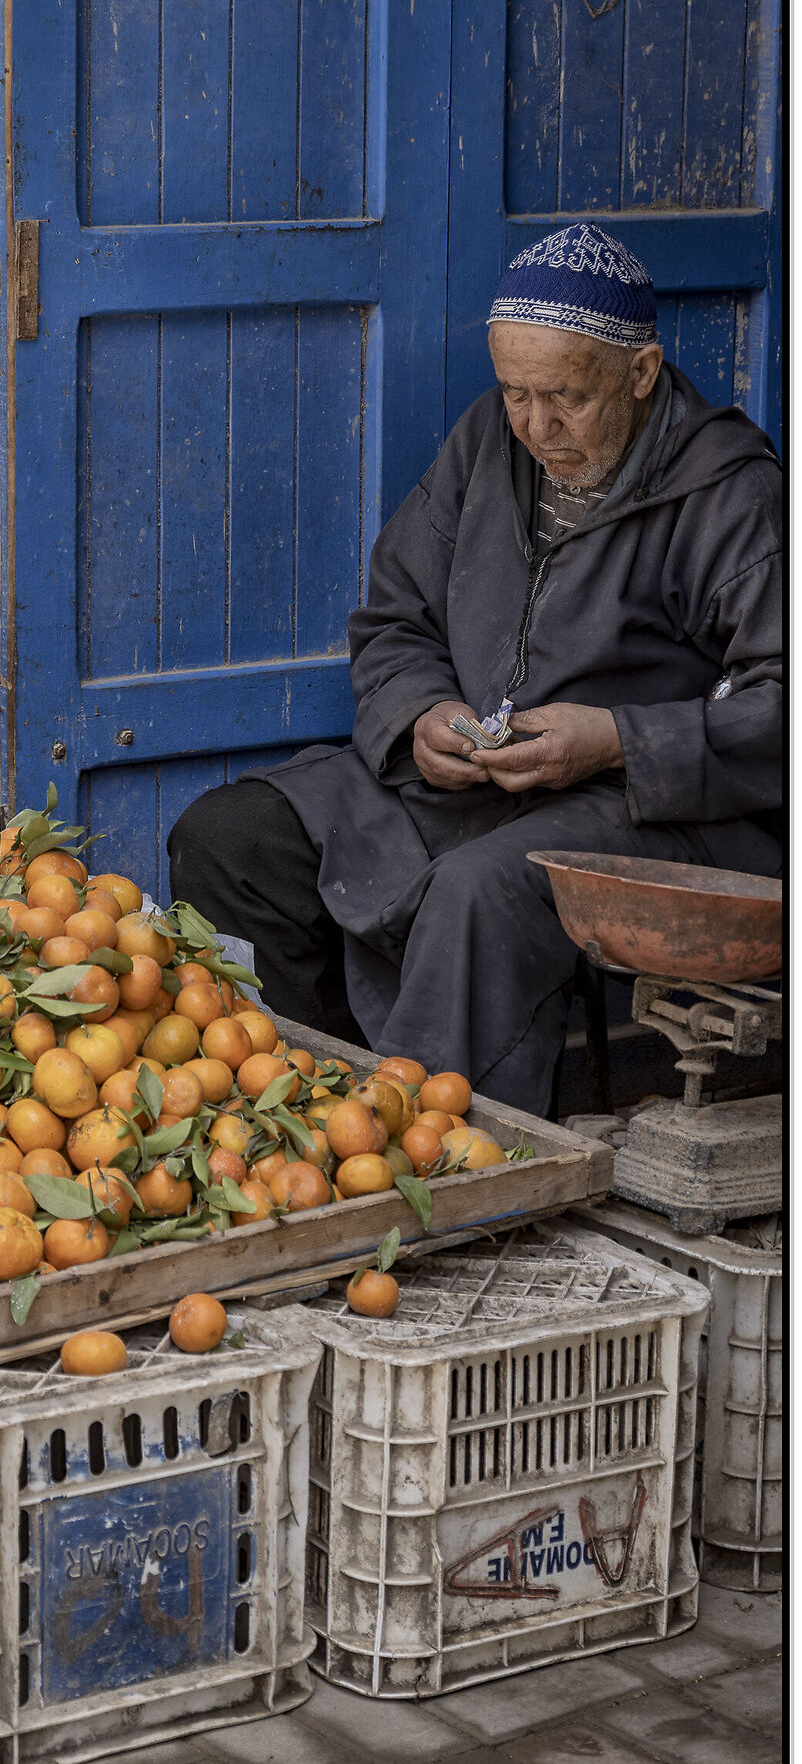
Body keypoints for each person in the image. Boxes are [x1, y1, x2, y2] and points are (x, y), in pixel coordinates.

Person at [167, 222, 783, 1114]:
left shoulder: (732, 492)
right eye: (515, 393)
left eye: (566, 397)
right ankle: (316, 1105)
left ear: (641, 374)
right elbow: (394, 615)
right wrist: (422, 713)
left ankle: (444, 1152)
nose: (537, 426)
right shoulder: (490, 444)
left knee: (478, 894)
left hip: (648, 805)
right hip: (475, 784)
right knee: (231, 839)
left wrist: (616, 739)